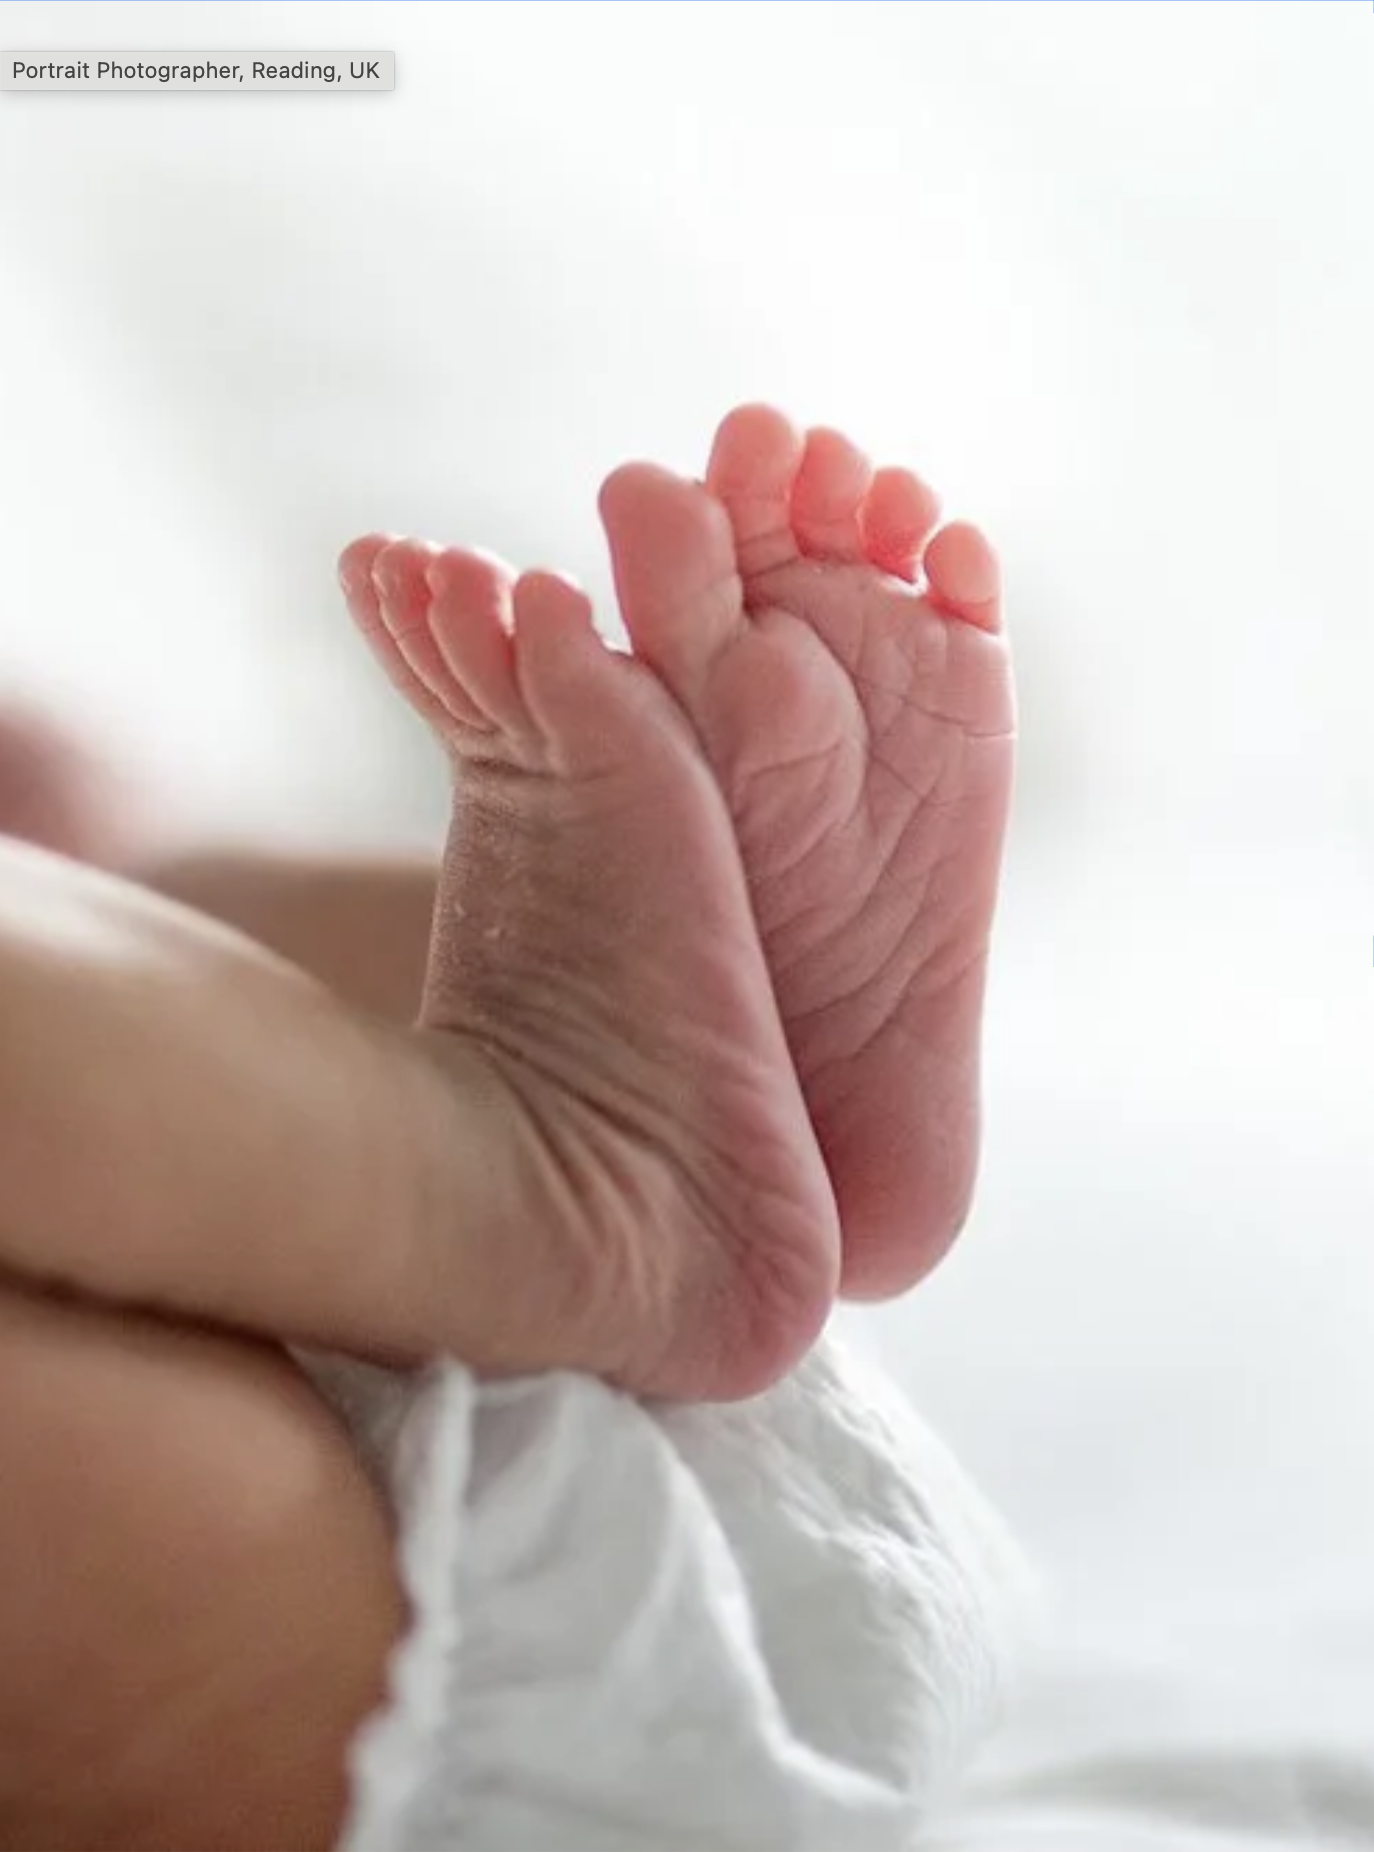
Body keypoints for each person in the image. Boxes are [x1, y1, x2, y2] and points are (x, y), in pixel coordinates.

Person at [0, 404, 1014, 1848]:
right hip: (441, 1570)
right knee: (109, 862)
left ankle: (585, 1023)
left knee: (103, 857)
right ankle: (539, 1069)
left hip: (409, 1538)